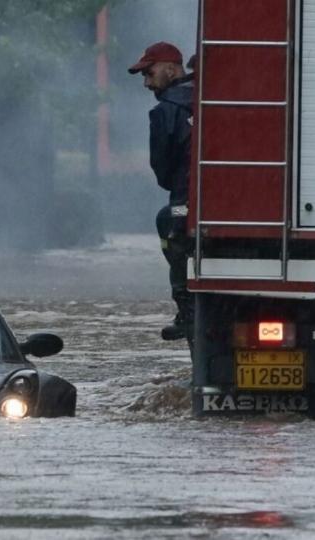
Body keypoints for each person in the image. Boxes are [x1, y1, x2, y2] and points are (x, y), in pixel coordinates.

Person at [129, 42, 195, 340]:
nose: (146, 83)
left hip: (187, 199)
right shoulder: (211, 96)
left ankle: (187, 311)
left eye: (149, 73)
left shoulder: (165, 111)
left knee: (170, 226)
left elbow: (162, 169)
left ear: (171, 68)